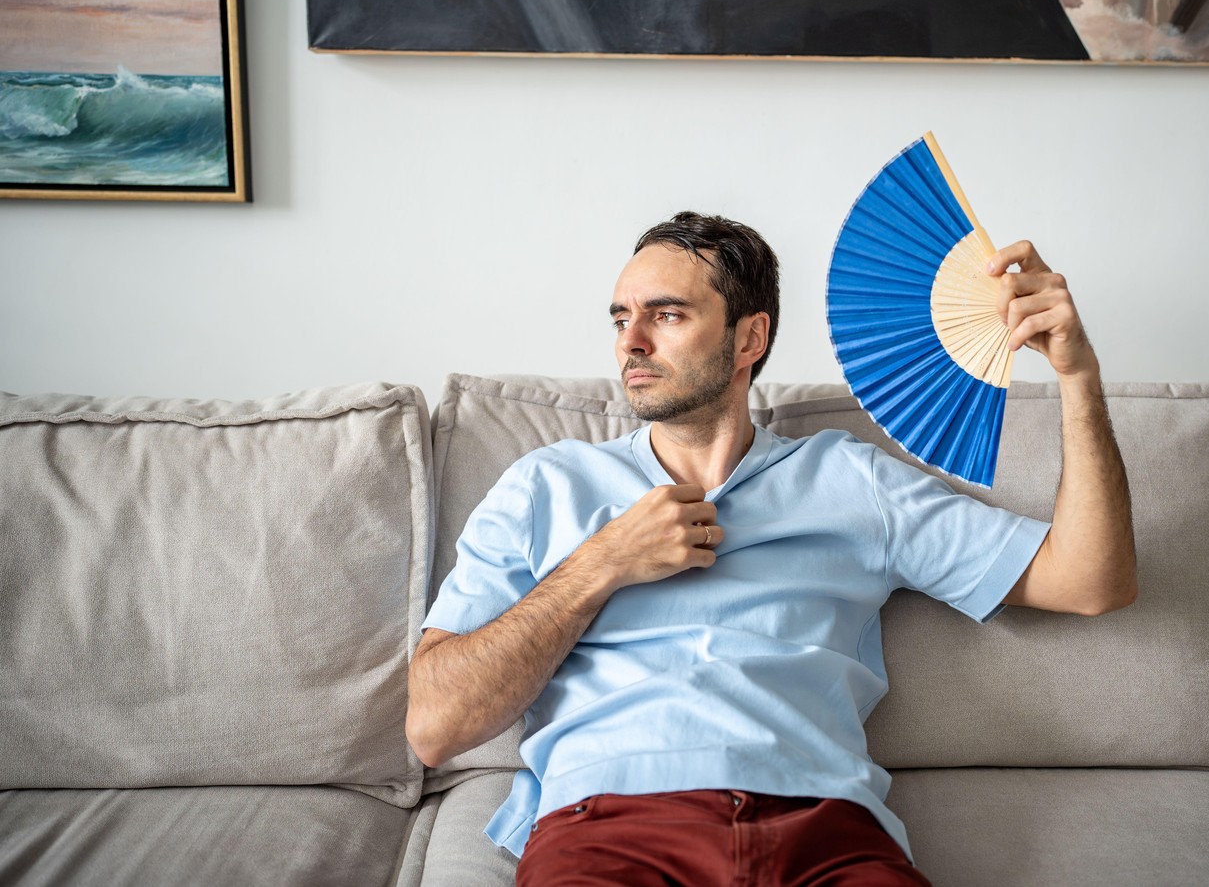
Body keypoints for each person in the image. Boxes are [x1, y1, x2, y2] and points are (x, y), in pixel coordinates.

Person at [406, 211, 1136, 885]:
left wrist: (1078, 375)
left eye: (666, 314)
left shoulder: (849, 478)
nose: (631, 341)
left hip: (824, 829)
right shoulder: (547, 485)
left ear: (748, 339)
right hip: (611, 826)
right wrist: (602, 563)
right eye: (622, 317)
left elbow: (1090, 580)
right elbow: (435, 726)